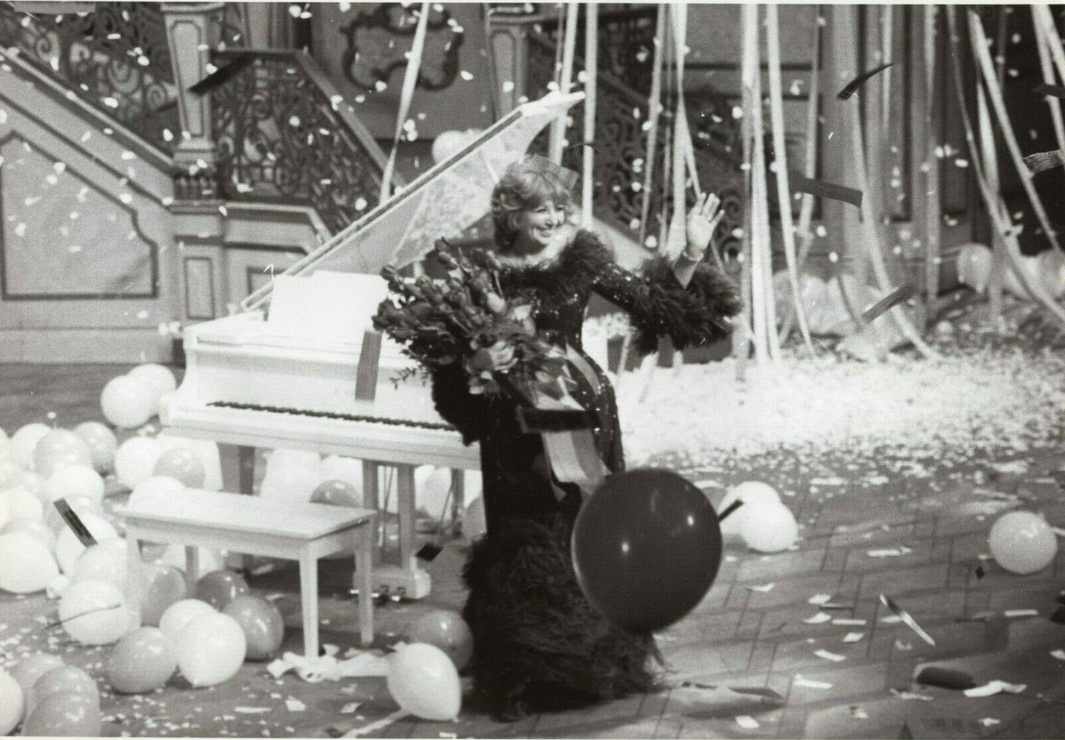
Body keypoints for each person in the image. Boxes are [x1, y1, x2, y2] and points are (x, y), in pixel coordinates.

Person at [429, 156, 742, 720]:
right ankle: (520, 674)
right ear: (512, 214)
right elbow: (451, 365)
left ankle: (590, 667)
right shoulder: (478, 274)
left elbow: (657, 306)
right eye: (540, 209)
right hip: (512, 429)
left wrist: (692, 252)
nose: (553, 219)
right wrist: (478, 362)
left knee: (586, 527)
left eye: (559, 207)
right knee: (522, 540)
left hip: (582, 416)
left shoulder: (580, 259)